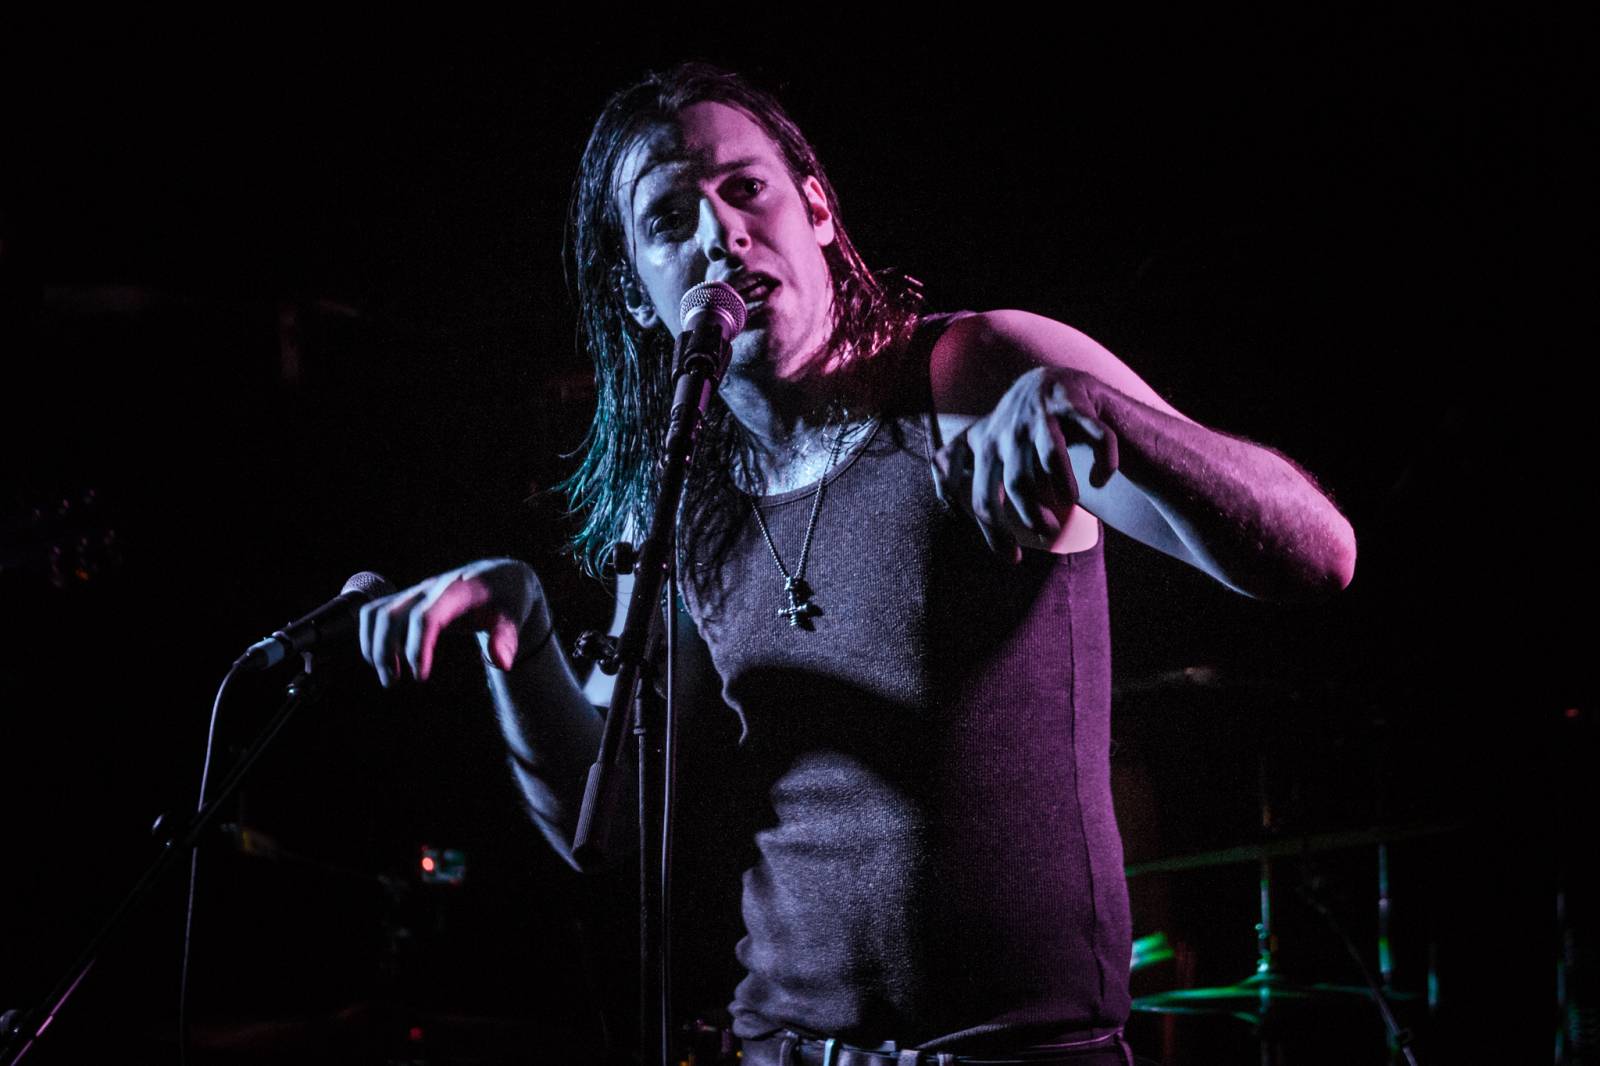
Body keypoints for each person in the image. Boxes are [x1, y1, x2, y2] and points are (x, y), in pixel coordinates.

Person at [358, 64, 1355, 1065]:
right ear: (637, 292)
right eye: (668, 218)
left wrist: (1104, 414)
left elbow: (1318, 551)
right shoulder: (683, 493)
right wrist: (523, 634)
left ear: (818, 211)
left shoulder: (973, 370)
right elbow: (603, 820)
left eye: (745, 187)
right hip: (780, 1048)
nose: (720, 233)